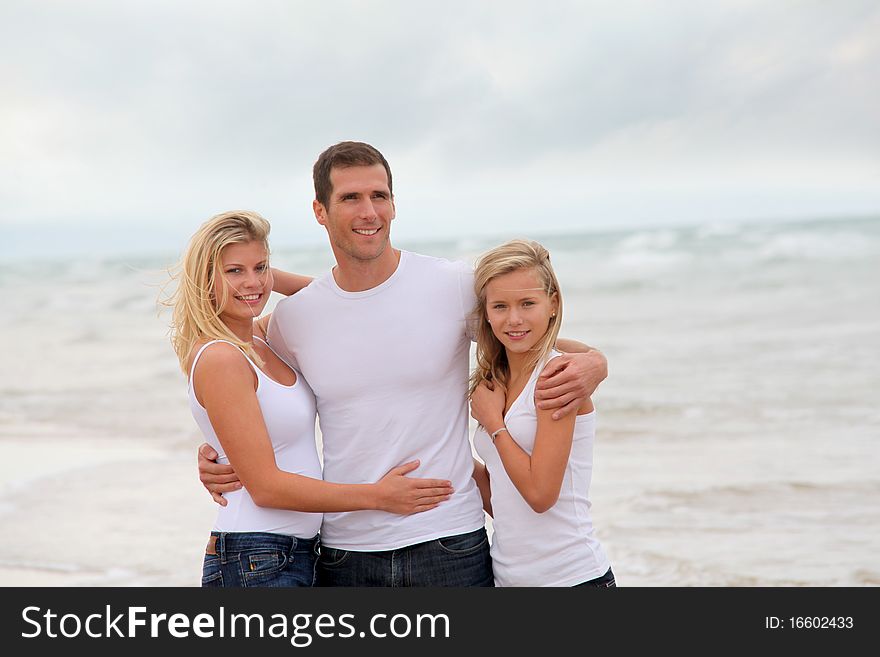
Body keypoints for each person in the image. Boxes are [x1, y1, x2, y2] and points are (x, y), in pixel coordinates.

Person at [198, 142, 608, 586]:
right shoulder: (293, 320)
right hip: (344, 552)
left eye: (379, 196)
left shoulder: (453, 286)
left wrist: (594, 363)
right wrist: (216, 453)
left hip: (451, 542)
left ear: (394, 204)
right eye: (350, 198)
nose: (368, 211)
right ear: (320, 211)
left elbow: (523, 328)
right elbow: (241, 379)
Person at [167, 210, 454, 587]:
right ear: (205, 279)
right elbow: (267, 488)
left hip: (293, 554)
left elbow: (335, 300)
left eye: (260, 267)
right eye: (234, 271)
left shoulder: (259, 339)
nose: (251, 282)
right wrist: (378, 496)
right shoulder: (222, 357)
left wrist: (262, 280)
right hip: (255, 557)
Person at [469, 239, 614, 587]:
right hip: (508, 578)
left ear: (553, 304)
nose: (514, 319)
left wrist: (494, 426)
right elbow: (504, 498)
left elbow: (539, 496)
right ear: (485, 313)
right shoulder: (497, 381)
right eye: (500, 306)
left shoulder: (557, 378)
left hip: (571, 579)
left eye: (527, 303)